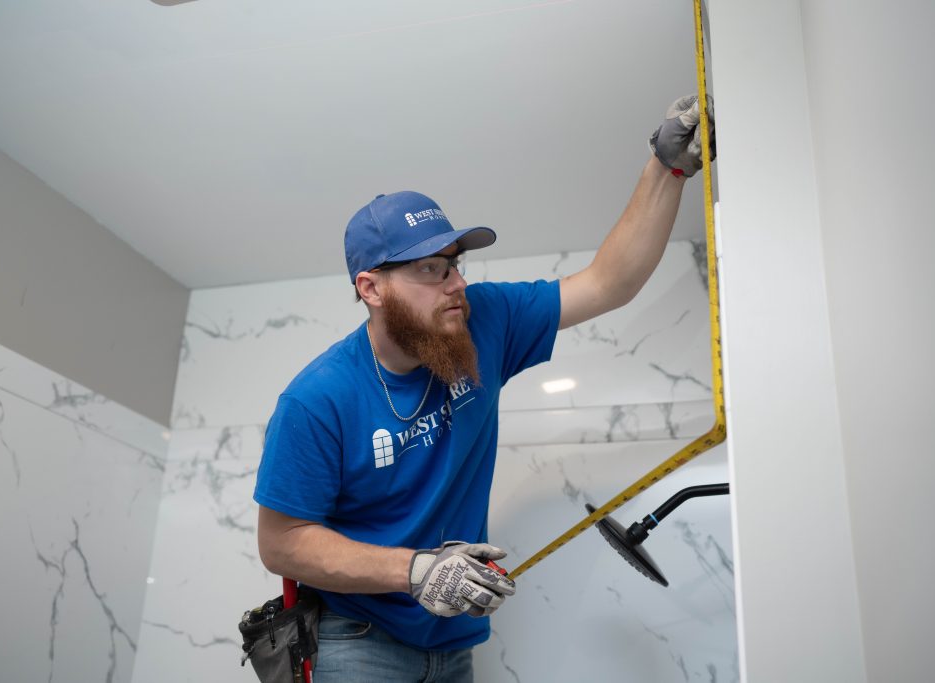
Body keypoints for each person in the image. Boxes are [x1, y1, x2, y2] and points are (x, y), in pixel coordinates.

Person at [254, 95, 715, 682]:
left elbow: (607, 283)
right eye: (429, 269)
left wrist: (666, 169)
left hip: (454, 642)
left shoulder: (482, 319)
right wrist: (416, 571)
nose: (456, 282)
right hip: (357, 639)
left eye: (455, 262)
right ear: (370, 288)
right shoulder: (317, 400)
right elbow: (283, 545)